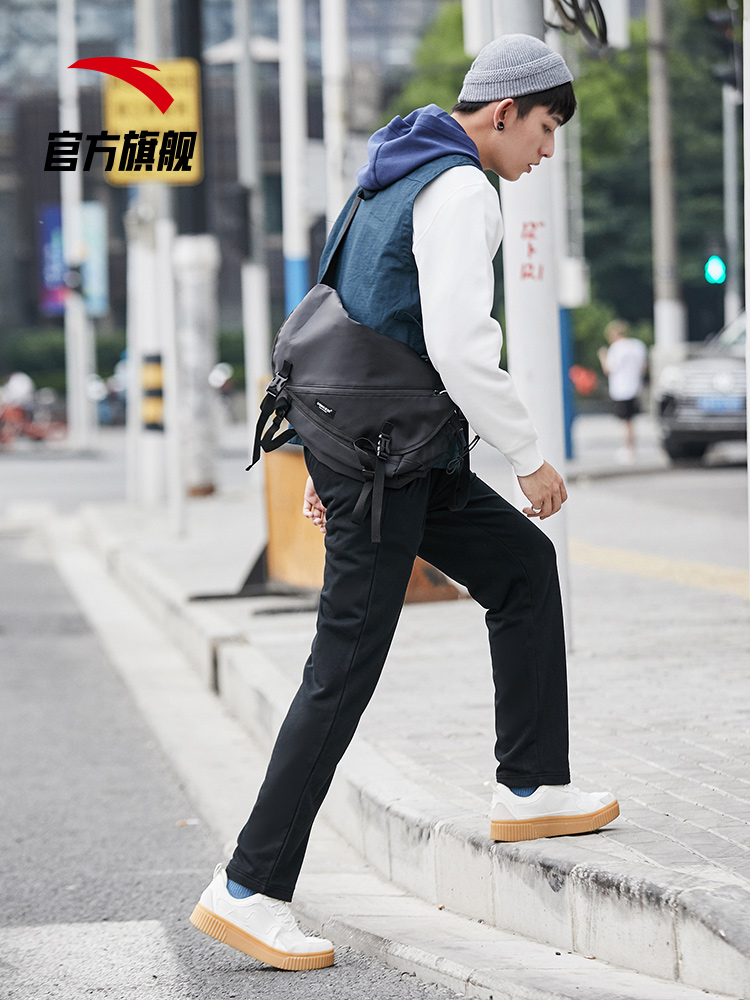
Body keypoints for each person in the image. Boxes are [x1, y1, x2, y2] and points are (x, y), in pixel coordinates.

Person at [191, 34, 619, 971]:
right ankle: (249, 888)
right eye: (546, 129)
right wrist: (530, 457)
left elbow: (345, 308)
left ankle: (532, 785)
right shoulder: (461, 186)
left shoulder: (388, 170)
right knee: (342, 667)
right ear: (504, 111)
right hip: (389, 459)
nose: (547, 150)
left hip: (394, 453)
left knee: (521, 567)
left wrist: (327, 462)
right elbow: (462, 345)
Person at [597, 319, 648, 463]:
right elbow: (643, 367)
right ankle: (632, 449)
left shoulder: (615, 349)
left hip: (621, 389)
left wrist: (602, 357)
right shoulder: (638, 345)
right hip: (635, 388)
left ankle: (629, 450)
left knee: (626, 422)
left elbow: (608, 369)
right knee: (631, 421)